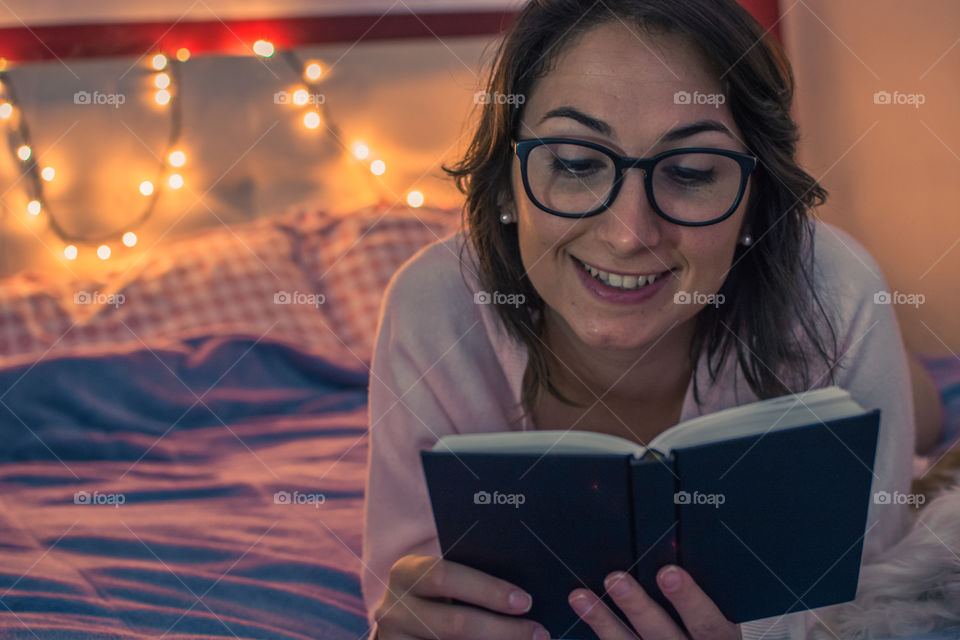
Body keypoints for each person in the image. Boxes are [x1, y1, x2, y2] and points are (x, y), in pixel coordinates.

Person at [361, 1, 915, 638]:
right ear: (507, 178)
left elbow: (875, 600)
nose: (629, 235)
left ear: (755, 200)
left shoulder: (838, 294)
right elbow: (397, 589)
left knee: (918, 413)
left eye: (690, 172)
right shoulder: (432, 306)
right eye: (574, 164)